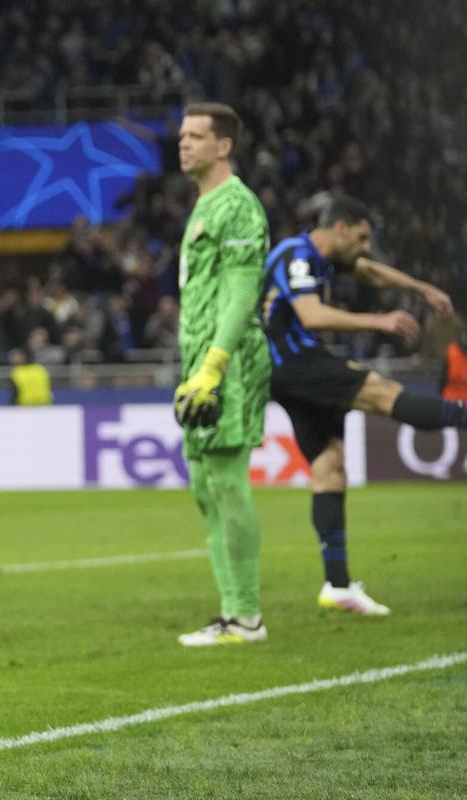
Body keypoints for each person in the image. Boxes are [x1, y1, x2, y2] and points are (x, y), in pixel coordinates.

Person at [261, 196, 467, 615]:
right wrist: (380, 321)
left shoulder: (323, 259)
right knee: (385, 393)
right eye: (361, 237)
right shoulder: (297, 256)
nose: (365, 247)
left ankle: (337, 585)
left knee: (329, 466)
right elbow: (311, 315)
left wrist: (421, 288)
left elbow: (369, 271)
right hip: (297, 363)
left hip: (288, 373)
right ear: (340, 227)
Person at [172, 102, 271, 647]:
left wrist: (215, 364)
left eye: (196, 135)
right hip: (200, 361)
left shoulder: (238, 206)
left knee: (228, 484)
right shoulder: (205, 203)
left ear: (224, 145)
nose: (183, 143)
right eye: (182, 135)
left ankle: (245, 617)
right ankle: (232, 613)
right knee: (206, 489)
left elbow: (241, 290)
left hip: (227, 364)